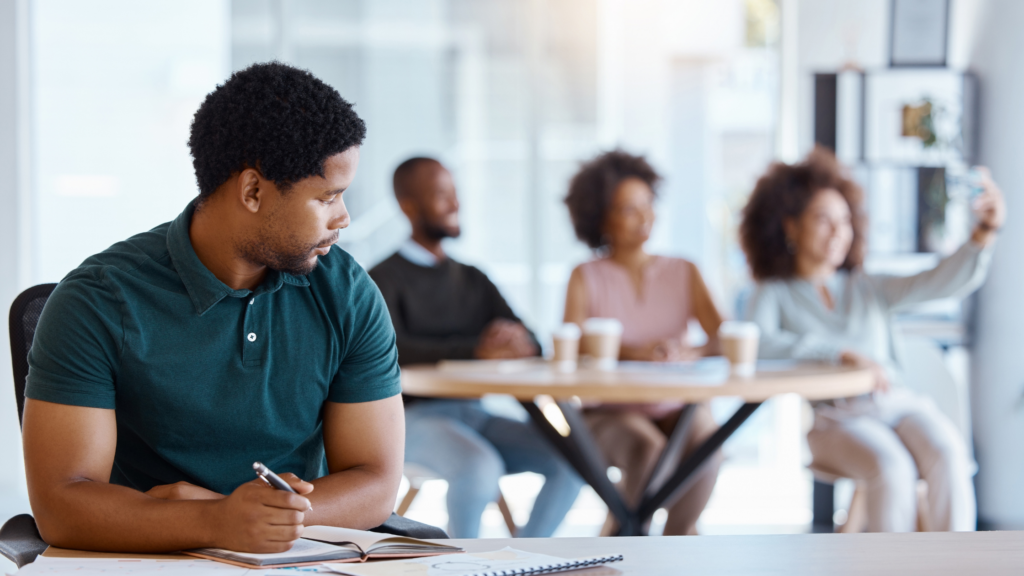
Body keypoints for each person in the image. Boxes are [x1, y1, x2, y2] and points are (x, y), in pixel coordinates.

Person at [22, 63, 405, 553]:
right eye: (326, 196)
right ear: (252, 191)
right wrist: (217, 521)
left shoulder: (346, 292)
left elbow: (375, 481)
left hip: (298, 560)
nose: (344, 217)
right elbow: (61, 505)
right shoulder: (97, 299)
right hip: (148, 560)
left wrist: (250, 519)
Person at [740, 147, 1005, 532]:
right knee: (891, 467)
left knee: (948, 452)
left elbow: (939, 282)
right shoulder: (774, 291)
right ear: (790, 226)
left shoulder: (867, 287)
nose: (838, 232)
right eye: (823, 220)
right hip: (836, 419)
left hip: (895, 402)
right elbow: (759, 346)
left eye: (845, 221)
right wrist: (838, 353)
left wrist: (984, 233)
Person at [368, 157, 583, 538]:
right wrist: (476, 350)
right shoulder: (382, 278)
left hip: (476, 415)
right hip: (413, 421)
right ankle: (463, 567)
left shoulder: (472, 277)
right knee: (479, 466)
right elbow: (390, 350)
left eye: (455, 194)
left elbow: (530, 340)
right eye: (441, 195)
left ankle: (526, 558)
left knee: (573, 459)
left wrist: (516, 342)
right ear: (408, 206)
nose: (455, 204)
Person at [562, 150, 724, 535]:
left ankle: (675, 541)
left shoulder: (684, 270)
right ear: (601, 217)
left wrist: (690, 351)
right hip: (610, 410)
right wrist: (633, 352)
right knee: (647, 451)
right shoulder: (585, 276)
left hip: (675, 406)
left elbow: (723, 338)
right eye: (628, 209)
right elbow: (573, 344)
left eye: (648, 205)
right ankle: (626, 537)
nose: (644, 217)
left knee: (709, 444)